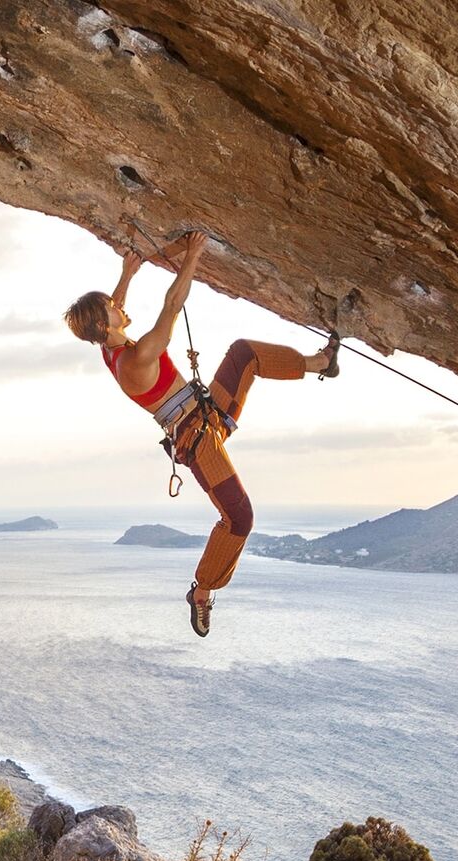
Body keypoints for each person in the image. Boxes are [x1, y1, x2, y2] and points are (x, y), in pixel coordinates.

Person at [63, 233, 340, 636]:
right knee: (239, 517)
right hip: (198, 439)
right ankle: (203, 590)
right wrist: (193, 254)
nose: (119, 305)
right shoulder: (136, 359)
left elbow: (114, 306)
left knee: (245, 352)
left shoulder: (108, 343)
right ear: (105, 324)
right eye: (112, 306)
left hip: (209, 412)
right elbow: (172, 306)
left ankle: (322, 363)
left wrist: (127, 272)